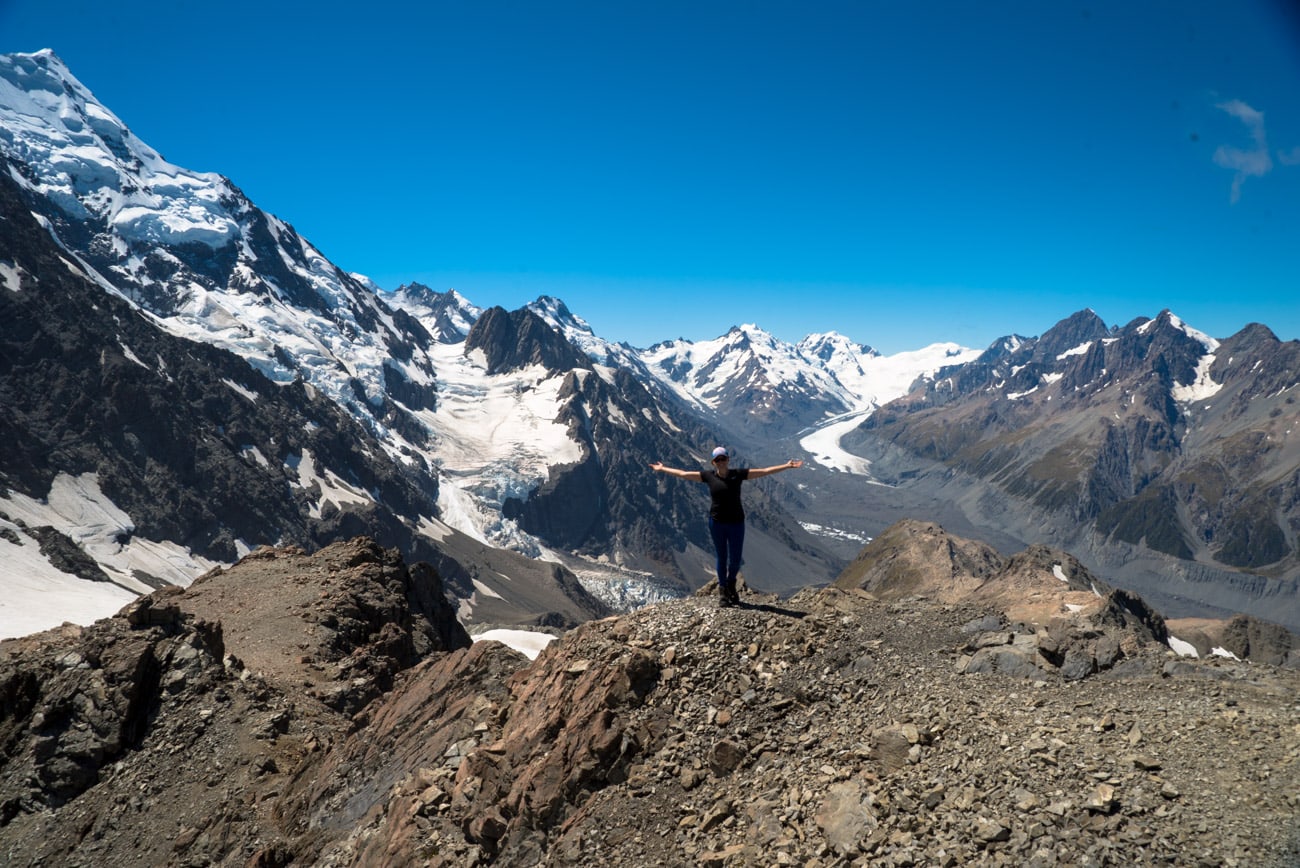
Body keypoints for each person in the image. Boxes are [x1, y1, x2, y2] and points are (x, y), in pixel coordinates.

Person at [649, 447, 804, 607]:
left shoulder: (738, 474)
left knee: (736, 559)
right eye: (718, 460)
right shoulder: (708, 476)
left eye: (723, 459)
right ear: (713, 462)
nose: (721, 462)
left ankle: (731, 585)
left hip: (736, 523)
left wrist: (786, 466)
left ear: (728, 460)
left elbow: (764, 471)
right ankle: (723, 591)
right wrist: (663, 468)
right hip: (717, 523)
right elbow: (683, 474)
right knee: (722, 557)